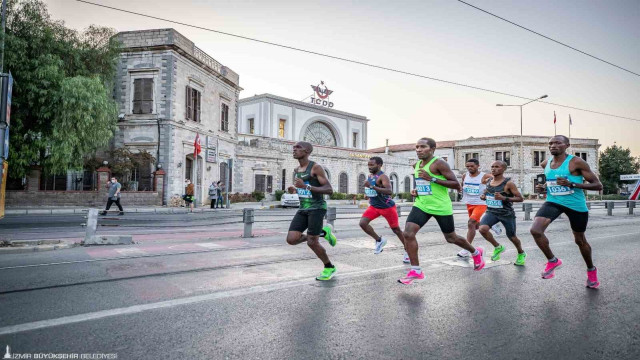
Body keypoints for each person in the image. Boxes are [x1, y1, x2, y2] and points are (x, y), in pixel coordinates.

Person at [399, 138, 485, 285]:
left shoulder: (439, 163)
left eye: (423, 147)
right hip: (422, 204)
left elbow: (455, 184)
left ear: (432, 149)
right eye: (417, 147)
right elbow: (423, 183)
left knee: (451, 238)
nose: (418, 150)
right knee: (408, 233)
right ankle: (416, 270)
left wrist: (432, 179)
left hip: (440, 206)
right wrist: (417, 190)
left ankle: (476, 252)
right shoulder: (417, 164)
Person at [530, 135, 603, 288]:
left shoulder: (576, 162)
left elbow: (598, 185)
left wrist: (572, 184)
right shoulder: (546, 163)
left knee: (580, 240)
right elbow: (552, 182)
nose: (553, 146)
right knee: (536, 230)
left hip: (575, 205)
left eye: (558, 143)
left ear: (567, 145)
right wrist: (544, 188)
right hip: (553, 201)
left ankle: (591, 270)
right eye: (550, 143)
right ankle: (552, 261)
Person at [286, 141, 338, 281]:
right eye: (294, 148)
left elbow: (329, 190)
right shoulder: (297, 170)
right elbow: (304, 188)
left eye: (298, 148)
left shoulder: (316, 168)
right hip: (303, 208)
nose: (294, 149)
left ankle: (329, 267)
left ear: (307, 151)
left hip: (317, 208)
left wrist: (306, 187)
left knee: (312, 242)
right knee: (291, 239)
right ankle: (323, 232)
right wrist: (296, 190)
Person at [359, 156, 408, 262]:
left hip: (387, 207)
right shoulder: (370, 176)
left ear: (380, 165)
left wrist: (371, 187)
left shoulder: (383, 177)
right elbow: (372, 189)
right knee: (363, 223)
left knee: (396, 230)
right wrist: (367, 194)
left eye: (372, 165)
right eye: (368, 165)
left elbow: (389, 191)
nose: (370, 167)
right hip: (374, 206)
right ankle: (379, 240)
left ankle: (408, 250)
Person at [477, 161, 527, 265]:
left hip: (506, 213)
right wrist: (484, 196)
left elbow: (520, 198)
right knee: (482, 229)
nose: (493, 169)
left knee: (512, 236)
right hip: (492, 211)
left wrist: (504, 198)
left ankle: (521, 253)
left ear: (503, 169)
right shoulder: (489, 180)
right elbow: (488, 190)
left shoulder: (509, 183)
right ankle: (497, 246)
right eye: (492, 167)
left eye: (497, 167)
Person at [456, 158, 502, 258]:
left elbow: (498, 179)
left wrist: (489, 183)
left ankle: (466, 249)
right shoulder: (465, 175)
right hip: (469, 203)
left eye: (472, 166)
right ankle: (492, 228)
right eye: (467, 166)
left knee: (471, 223)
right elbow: (463, 185)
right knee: (476, 226)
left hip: (481, 203)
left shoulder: (484, 175)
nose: (469, 168)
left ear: (478, 166)